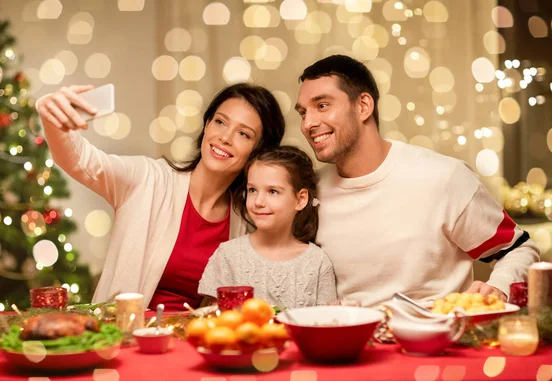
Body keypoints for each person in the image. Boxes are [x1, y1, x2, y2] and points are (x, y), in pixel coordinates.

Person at [294, 55, 540, 307]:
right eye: (303, 112)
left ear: (363, 106)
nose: (308, 123)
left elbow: (518, 249)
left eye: (322, 105)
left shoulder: (443, 177)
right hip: (346, 340)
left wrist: (498, 287)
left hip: (436, 340)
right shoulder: (310, 190)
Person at [36, 83, 285, 311]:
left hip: (194, 347)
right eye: (220, 122)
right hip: (126, 339)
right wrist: (51, 116)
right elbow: (80, 160)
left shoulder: (246, 222)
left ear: (258, 152)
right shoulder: (148, 178)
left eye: (244, 134)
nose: (225, 137)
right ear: (207, 125)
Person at [198, 146, 336, 308]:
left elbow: (327, 324)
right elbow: (213, 323)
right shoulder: (228, 255)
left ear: (300, 199)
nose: (258, 201)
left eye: (272, 191)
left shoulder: (317, 262)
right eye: (252, 190)